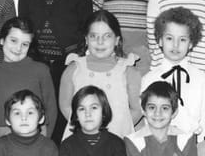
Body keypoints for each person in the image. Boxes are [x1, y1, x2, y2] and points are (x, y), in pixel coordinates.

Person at [18, 0, 93, 143]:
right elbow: (24, 29)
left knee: (64, 115)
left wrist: (75, 56)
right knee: (36, 111)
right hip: (37, 63)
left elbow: (86, 28)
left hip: (68, 64)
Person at [58, 10, 142, 140]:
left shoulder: (128, 71)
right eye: (93, 36)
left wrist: (119, 126)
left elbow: (137, 109)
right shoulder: (74, 68)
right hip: (81, 140)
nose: (100, 41)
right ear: (86, 39)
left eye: (107, 36)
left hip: (116, 138)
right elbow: (65, 105)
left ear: (116, 40)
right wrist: (84, 125)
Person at [141, 7, 205, 140]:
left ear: (191, 43)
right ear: (160, 40)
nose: (175, 45)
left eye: (182, 40)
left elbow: (204, 116)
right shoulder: (149, 79)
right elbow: (147, 118)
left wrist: (197, 142)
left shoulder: (200, 78)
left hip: (192, 145)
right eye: (169, 38)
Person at [0, 17, 57, 138]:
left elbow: (51, 108)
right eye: (13, 41)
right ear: (2, 40)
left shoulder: (41, 70)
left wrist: (45, 139)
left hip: (36, 135)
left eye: (25, 44)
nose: (18, 48)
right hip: (3, 137)